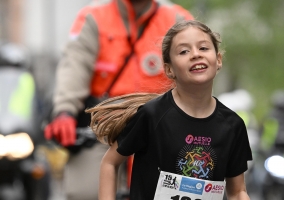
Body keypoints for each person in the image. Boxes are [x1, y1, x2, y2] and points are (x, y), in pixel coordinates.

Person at [87, 19, 252, 200]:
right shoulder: (152, 115)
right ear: (169, 69)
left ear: (218, 60)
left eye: (203, 48)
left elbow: (237, 192)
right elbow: (110, 163)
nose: (196, 55)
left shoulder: (233, 125)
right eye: (184, 51)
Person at [44, 0, 193, 199]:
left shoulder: (178, 20)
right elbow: (74, 65)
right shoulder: (93, 17)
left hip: (162, 124)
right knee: (85, 192)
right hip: (103, 125)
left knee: (183, 189)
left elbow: (193, 74)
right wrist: (65, 111)